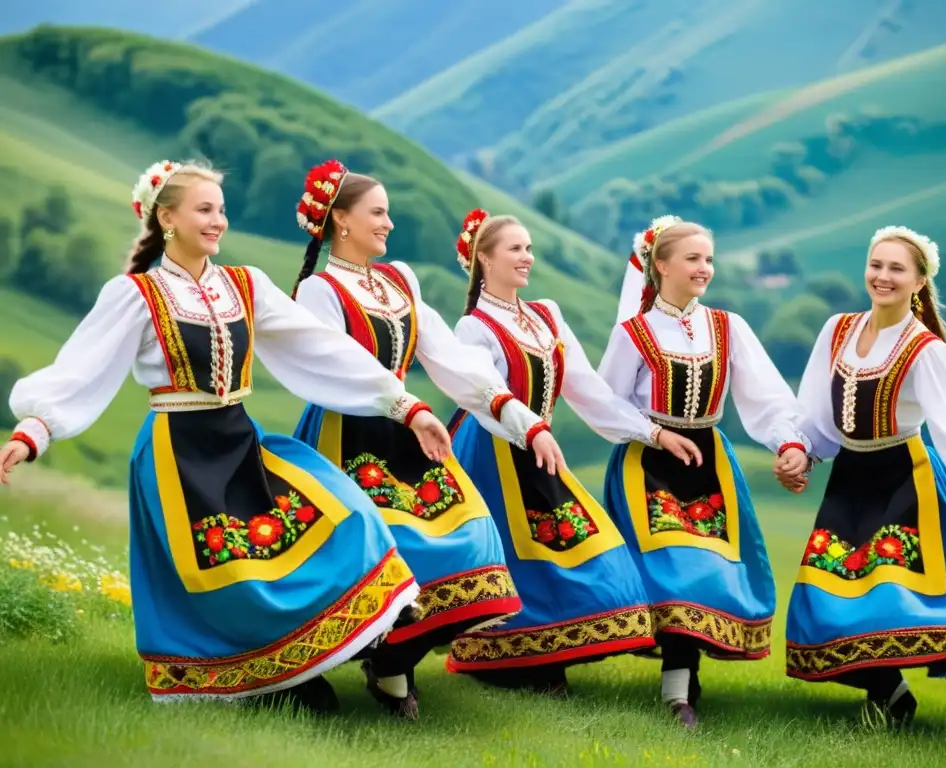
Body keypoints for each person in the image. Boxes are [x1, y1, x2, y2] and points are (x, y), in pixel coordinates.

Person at [0, 159, 457, 713]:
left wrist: (406, 407)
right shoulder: (136, 295)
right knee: (229, 567)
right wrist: (33, 431)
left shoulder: (246, 285)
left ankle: (328, 654)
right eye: (204, 210)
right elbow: (82, 370)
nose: (218, 221)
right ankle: (249, 678)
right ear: (166, 217)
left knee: (346, 515)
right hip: (179, 454)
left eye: (220, 209)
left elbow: (322, 347)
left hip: (239, 439)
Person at [289, 161, 564, 719]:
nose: (389, 223)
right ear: (340, 219)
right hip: (347, 434)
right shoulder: (319, 291)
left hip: (410, 432)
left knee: (471, 547)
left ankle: (392, 659)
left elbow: (448, 357)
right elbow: (332, 367)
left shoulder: (400, 280)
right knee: (382, 552)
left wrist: (521, 418)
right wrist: (404, 405)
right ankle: (347, 669)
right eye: (378, 212)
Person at [444, 208, 701, 695]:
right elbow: (484, 396)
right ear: (483, 259)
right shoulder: (472, 328)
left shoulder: (546, 315)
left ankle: (543, 656)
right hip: (493, 452)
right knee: (517, 560)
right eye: (516, 249)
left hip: (541, 450)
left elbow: (587, 389)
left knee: (586, 547)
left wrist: (651, 432)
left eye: (529, 248)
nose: (528, 257)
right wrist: (530, 427)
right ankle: (512, 662)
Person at [781, 225, 946, 728]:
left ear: (918, 282)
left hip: (905, 480)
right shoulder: (837, 330)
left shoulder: (923, 348)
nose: (882, 276)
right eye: (876, 265)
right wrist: (803, 452)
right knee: (825, 589)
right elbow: (816, 407)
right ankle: (891, 691)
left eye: (896, 269)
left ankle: (890, 700)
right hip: (851, 477)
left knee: (886, 589)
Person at [598, 216, 811, 727]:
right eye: (693, 258)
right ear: (662, 265)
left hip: (710, 462)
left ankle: (683, 677)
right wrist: (652, 432)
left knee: (708, 568)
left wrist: (789, 443)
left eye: (709, 259)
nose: (704, 268)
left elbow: (765, 395)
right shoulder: (634, 333)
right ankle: (677, 691)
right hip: (647, 464)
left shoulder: (727, 326)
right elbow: (604, 402)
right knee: (676, 566)